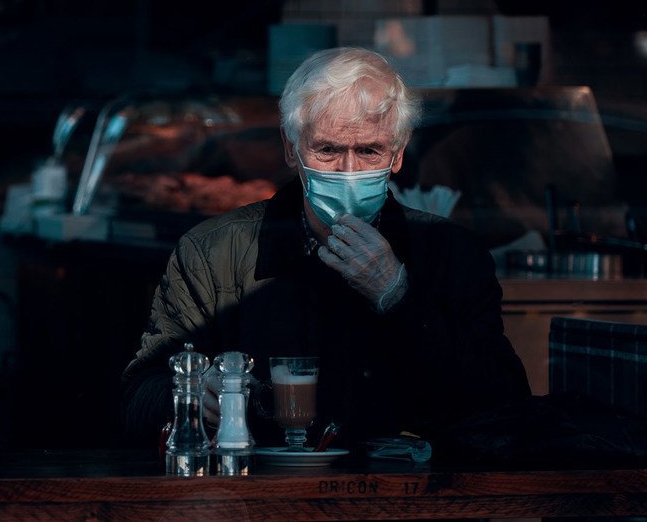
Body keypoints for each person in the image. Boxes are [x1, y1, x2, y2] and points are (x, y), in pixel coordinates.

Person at [120, 47, 530, 449]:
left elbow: (503, 401)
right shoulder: (213, 253)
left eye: (369, 151)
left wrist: (398, 295)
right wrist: (193, 396)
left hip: (405, 495)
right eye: (328, 150)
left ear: (399, 152)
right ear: (291, 148)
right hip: (262, 495)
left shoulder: (450, 253)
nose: (349, 172)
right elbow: (140, 394)